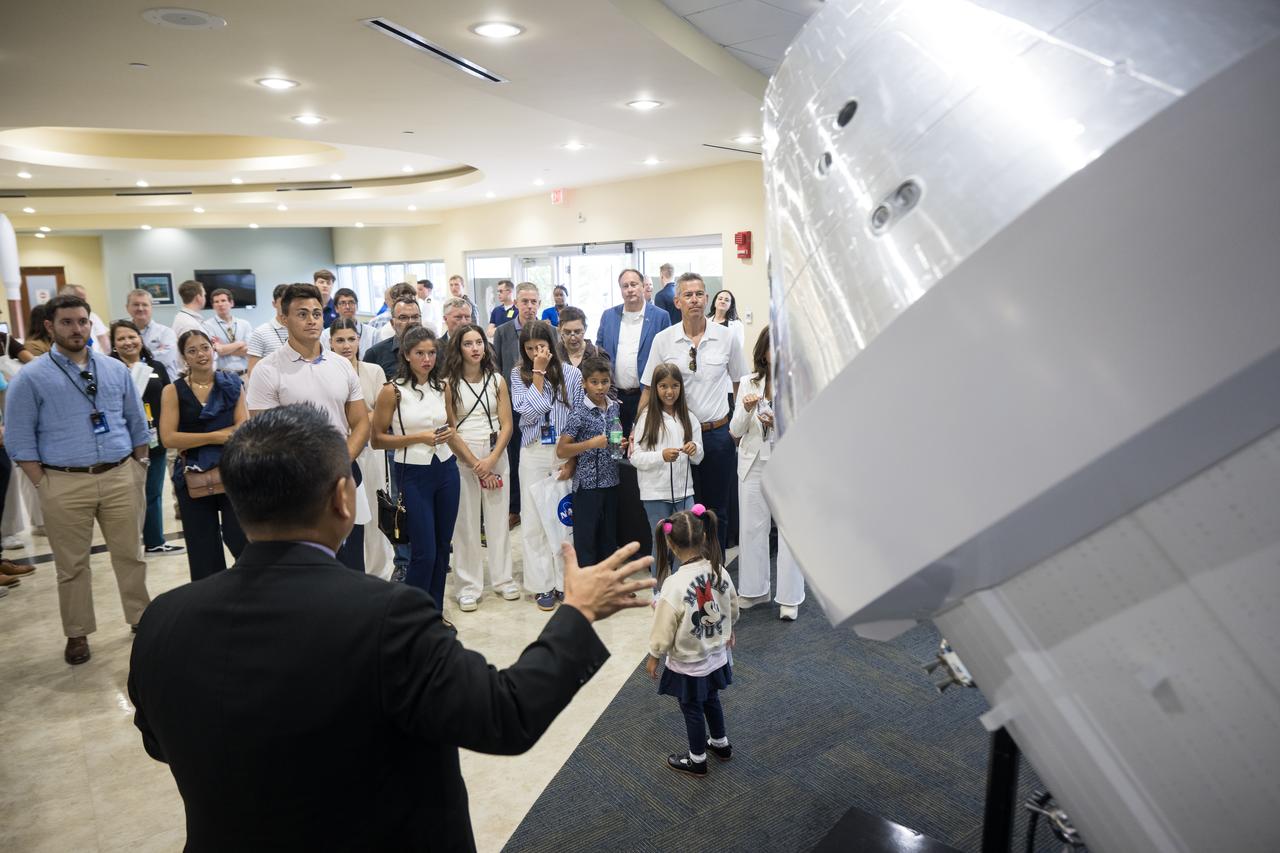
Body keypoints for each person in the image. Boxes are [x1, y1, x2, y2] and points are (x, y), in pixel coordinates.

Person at [128, 403, 654, 851]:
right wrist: (577, 611)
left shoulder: (163, 621)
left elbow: (158, 742)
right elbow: (506, 714)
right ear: (342, 497)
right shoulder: (386, 616)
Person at [4, 294, 151, 665]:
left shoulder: (114, 369)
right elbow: (19, 438)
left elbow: (137, 422)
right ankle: (77, 632)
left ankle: (140, 619)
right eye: (67, 322)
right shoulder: (32, 377)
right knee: (72, 565)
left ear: (90, 324)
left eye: (83, 321)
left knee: (131, 555)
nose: (77, 329)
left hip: (120, 474)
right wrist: (44, 483)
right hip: (64, 481)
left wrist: (139, 464)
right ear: (51, 327)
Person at [247, 283, 370, 572]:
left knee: (351, 562)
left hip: (343, 469)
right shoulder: (267, 370)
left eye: (316, 313)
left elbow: (361, 421)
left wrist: (342, 460)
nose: (312, 320)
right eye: (302, 314)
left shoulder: (341, 365)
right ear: (283, 318)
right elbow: (265, 434)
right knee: (307, 565)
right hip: (296, 480)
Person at [642, 273, 746, 552]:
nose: (694, 300)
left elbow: (741, 383)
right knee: (682, 513)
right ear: (677, 301)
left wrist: (738, 428)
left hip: (717, 435)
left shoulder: (726, 338)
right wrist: (636, 432)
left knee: (716, 513)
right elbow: (648, 390)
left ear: (707, 299)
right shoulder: (663, 340)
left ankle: (715, 575)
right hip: (678, 437)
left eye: (699, 294)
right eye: (688, 295)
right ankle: (685, 579)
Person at [371, 327, 460, 612]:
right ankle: (414, 617)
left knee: (443, 548)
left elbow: (452, 423)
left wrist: (448, 433)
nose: (427, 359)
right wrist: (418, 437)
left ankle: (435, 613)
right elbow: (377, 440)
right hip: (412, 472)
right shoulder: (392, 390)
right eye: (420, 353)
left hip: (446, 469)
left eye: (431, 353)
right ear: (407, 355)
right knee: (424, 552)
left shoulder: (442, 386)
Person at [646, 504, 738, 776]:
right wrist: (728, 629)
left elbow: (663, 629)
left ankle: (697, 759)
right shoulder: (718, 570)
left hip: (689, 662)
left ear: (671, 546)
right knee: (711, 699)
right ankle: (720, 744)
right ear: (704, 537)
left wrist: (654, 656)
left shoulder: (673, 585)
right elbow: (732, 605)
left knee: (691, 708)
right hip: (716, 655)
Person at [159, 330, 249, 581]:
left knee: (242, 538)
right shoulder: (172, 391)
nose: (200, 354)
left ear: (213, 349)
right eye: (192, 350)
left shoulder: (232, 383)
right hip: (192, 475)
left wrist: (195, 439)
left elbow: (242, 427)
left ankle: (253, 593)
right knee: (202, 547)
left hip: (232, 471)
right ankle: (210, 603)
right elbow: (169, 437)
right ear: (184, 357)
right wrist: (216, 437)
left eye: (205, 347)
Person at [442, 324, 519, 611]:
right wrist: (475, 463)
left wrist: (492, 459)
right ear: (457, 348)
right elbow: (449, 428)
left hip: (496, 451)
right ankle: (468, 585)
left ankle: (503, 580)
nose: (475, 348)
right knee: (466, 523)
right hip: (463, 454)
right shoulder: (448, 382)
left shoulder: (497, 379)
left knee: (499, 520)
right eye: (468, 343)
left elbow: (507, 424)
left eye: (479, 342)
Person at [731, 326, 804, 620]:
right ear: (762, 351)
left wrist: (780, 423)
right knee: (751, 529)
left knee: (789, 532)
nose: (777, 352)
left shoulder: (799, 383)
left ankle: (789, 597)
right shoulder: (749, 382)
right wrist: (747, 410)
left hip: (788, 465)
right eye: (772, 347)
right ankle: (753, 591)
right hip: (753, 463)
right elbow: (735, 430)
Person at [510, 320, 583, 610]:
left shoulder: (572, 374)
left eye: (540, 347)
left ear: (552, 344)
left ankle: (564, 582)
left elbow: (578, 418)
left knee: (562, 519)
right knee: (533, 522)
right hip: (532, 451)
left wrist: (573, 459)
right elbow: (529, 412)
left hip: (563, 450)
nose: (534, 352)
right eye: (529, 349)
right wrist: (538, 372)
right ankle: (542, 586)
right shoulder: (518, 375)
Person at [330, 318, 395, 581]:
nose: (346, 345)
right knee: (349, 514)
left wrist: (359, 422)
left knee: (377, 510)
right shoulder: (327, 372)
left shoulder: (374, 370)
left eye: (351, 339)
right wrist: (360, 419)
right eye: (340, 340)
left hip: (371, 450)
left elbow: (382, 413)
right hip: (338, 452)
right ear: (331, 343)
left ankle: (380, 571)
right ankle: (350, 572)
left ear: (359, 340)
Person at [110, 320, 183, 556]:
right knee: (126, 497)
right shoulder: (109, 369)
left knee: (152, 491)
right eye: (121, 338)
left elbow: (169, 400)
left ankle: (154, 541)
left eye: (131, 337)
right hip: (123, 442)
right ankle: (128, 545)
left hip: (155, 439)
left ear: (140, 339)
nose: (127, 342)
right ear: (113, 344)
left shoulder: (156, 367)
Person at [495, 283, 558, 529]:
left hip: (547, 410)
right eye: (524, 301)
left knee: (545, 457)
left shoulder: (549, 331)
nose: (529, 306)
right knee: (516, 457)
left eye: (533, 302)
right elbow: (499, 367)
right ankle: (516, 508)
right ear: (516, 303)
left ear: (539, 303)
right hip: (515, 405)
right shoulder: (503, 332)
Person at [631, 363, 703, 572]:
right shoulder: (646, 417)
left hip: (684, 492)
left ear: (681, 387)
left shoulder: (689, 417)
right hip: (655, 493)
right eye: (663, 386)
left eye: (674, 386)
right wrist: (660, 456)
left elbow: (699, 457)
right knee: (660, 544)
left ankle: (682, 587)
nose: (669, 392)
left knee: (687, 542)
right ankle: (660, 591)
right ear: (655, 388)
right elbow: (636, 457)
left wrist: (694, 448)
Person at [557, 355, 623, 570]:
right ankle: (586, 590)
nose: (600, 387)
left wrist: (620, 443)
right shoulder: (579, 412)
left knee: (608, 541)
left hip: (611, 483)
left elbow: (613, 438)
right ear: (584, 383)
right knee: (586, 543)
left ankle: (606, 588)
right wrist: (591, 443)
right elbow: (562, 449)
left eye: (604, 381)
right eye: (594, 382)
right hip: (587, 487)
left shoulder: (614, 407)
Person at [596, 268, 670, 434]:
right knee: (615, 447)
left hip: (647, 396)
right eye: (625, 286)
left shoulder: (660, 317)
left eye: (634, 284)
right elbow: (599, 354)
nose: (629, 289)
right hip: (613, 397)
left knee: (643, 446)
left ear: (643, 286)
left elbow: (668, 357)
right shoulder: (608, 316)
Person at [364, 297, 422, 381]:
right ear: (392, 323)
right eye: (403, 317)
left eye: (415, 317)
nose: (411, 322)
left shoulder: (436, 350)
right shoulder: (375, 354)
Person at [126, 288, 180, 378]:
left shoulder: (166, 333)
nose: (140, 308)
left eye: (145, 305)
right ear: (127, 307)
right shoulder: (122, 334)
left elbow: (166, 359)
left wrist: (132, 359)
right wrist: (155, 353)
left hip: (163, 386)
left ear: (151, 307)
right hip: (133, 385)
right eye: (136, 304)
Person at [202, 288, 252, 375]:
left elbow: (249, 350)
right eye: (216, 302)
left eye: (223, 300)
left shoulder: (245, 324)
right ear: (213, 306)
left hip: (244, 374)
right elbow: (216, 351)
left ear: (231, 303)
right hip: (222, 375)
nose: (220, 304)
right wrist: (239, 344)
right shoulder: (207, 325)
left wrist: (223, 349)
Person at [319, 287, 378, 357]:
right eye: (343, 303)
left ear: (357, 306)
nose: (347, 306)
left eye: (351, 302)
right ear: (336, 308)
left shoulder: (373, 333)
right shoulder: (325, 335)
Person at [246, 283, 291, 373]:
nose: (287, 306)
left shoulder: (300, 329)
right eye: (283, 302)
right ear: (274, 304)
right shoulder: (260, 332)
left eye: (290, 301)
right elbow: (252, 371)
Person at [59, 285, 110, 351]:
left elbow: (105, 343)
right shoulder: (57, 320)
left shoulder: (92, 316)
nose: (86, 303)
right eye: (82, 299)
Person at [556, 306, 606, 370]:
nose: (573, 338)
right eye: (567, 332)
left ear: (585, 329)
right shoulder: (553, 355)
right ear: (560, 330)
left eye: (577, 332)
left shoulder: (598, 355)